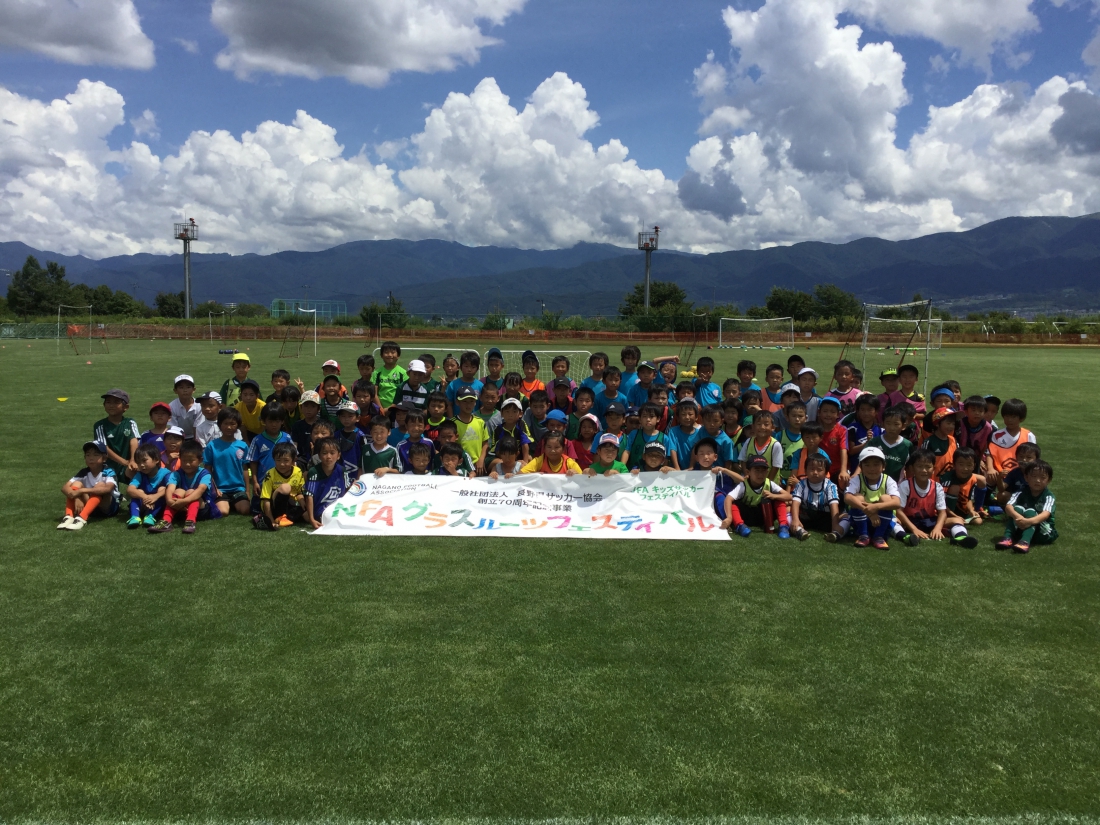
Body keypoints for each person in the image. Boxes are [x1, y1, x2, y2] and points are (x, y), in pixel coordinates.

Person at [893, 449, 977, 548]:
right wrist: (914, 529)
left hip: (930, 521)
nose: (924, 470)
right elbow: (899, 511)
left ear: (933, 469)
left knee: (957, 521)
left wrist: (937, 527)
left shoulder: (937, 487)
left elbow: (942, 512)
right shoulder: (905, 485)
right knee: (893, 521)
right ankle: (905, 537)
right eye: (920, 466)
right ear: (912, 468)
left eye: (928, 467)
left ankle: (961, 538)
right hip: (909, 521)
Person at [150, 440, 219, 534]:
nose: (187, 464)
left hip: (202, 509)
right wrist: (169, 500)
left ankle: (191, 521)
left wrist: (183, 501)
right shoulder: (177, 473)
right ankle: (166, 521)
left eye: (191, 461)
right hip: (181, 508)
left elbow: (200, 490)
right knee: (178, 491)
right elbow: (170, 487)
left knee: (191, 491)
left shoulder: (205, 474)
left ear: (200, 460)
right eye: (184, 461)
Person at [840, 447, 900, 549]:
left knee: (886, 498)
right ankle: (863, 535)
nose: (872, 469)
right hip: (861, 520)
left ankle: (879, 536)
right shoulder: (857, 479)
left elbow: (897, 503)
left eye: (876, 464)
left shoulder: (888, 480)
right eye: (867, 465)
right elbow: (847, 497)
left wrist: (875, 507)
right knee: (857, 498)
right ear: (861, 467)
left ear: (883, 466)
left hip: (881, 521)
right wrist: (868, 510)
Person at [721, 455, 791, 538]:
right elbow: (728, 498)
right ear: (748, 472)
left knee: (779, 499)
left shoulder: (769, 483)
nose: (760, 474)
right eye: (757, 470)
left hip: (764, 516)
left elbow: (789, 496)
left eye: (763, 471)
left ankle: (783, 526)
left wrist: (773, 496)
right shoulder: (743, 485)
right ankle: (740, 526)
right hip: (747, 516)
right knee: (734, 503)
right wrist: (729, 517)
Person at [59, 439, 120, 530]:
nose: (91, 458)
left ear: (104, 458)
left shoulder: (108, 471)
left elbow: (108, 489)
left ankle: (82, 518)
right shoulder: (84, 472)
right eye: (88, 455)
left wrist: (81, 491)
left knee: (99, 486)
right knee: (76, 484)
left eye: (96, 455)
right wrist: (76, 497)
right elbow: (65, 487)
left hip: (107, 508)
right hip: (91, 506)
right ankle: (69, 516)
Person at [998, 460, 1057, 553]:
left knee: (1031, 511)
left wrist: (1028, 521)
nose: (1038, 480)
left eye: (1042, 477)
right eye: (1034, 476)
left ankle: (1025, 542)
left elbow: (1045, 514)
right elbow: (1008, 507)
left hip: (1043, 532)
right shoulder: (1020, 492)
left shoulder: (1049, 496)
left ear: (1049, 480)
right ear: (1026, 477)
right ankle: (1007, 538)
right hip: (1022, 526)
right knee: (1017, 509)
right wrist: (1019, 517)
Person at [245, 402, 292, 512]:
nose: (274, 424)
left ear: (282, 421)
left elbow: (293, 460)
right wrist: (255, 482)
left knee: (284, 508)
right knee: (257, 510)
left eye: (277, 421)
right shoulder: (257, 440)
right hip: (263, 483)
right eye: (270, 421)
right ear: (264, 421)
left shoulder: (287, 438)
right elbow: (253, 462)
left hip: (283, 482)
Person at [985, 398, 1035, 501]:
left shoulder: (1029, 435)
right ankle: (984, 502)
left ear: (1021, 418)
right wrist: (990, 469)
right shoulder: (997, 435)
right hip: (1001, 472)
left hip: (1022, 472)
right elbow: (990, 453)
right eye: (1007, 416)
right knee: (992, 480)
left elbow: (1034, 457)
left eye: (1013, 417)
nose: (1009, 420)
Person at [203, 408, 251, 516]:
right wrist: (214, 489)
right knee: (223, 512)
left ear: (238, 425)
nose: (229, 427)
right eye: (225, 423)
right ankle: (226, 502)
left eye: (233, 424)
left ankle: (236, 501)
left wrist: (247, 491)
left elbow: (245, 469)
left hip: (238, 488)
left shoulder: (242, 446)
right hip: (221, 489)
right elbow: (208, 469)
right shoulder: (212, 445)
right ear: (220, 425)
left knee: (245, 510)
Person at [789, 453, 841, 541]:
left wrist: (835, 525)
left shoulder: (830, 486)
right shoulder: (801, 484)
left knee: (846, 517)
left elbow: (834, 505)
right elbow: (795, 502)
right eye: (812, 469)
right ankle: (799, 530)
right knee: (788, 511)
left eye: (819, 470)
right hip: (807, 517)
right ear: (805, 470)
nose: (815, 472)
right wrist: (795, 519)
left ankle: (835, 534)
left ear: (826, 472)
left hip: (825, 518)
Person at [305, 437, 354, 528]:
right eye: (324, 453)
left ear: (338, 455)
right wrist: (312, 519)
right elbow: (309, 496)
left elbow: (348, 491)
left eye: (332, 453)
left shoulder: (342, 471)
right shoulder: (314, 472)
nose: (328, 456)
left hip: (338, 508)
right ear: (319, 456)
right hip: (321, 510)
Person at [256, 442, 305, 529]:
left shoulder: (298, 472)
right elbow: (266, 499)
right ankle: (276, 517)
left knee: (307, 516)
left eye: (286, 460)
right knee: (285, 487)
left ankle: (284, 517)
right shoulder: (270, 474)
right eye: (278, 460)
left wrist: (303, 503)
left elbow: (299, 492)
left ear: (294, 460)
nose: (282, 464)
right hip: (273, 507)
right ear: (274, 459)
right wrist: (271, 521)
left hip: (290, 504)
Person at [94, 388, 140, 480]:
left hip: (128, 462)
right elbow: (104, 448)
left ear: (125, 407)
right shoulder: (100, 425)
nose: (111, 405)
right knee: (108, 489)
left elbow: (134, 440)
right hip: (108, 465)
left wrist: (132, 460)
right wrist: (124, 462)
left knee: (138, 474)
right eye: (108, 402)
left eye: (116, 402)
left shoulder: (130, 422)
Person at [692, 437, 742, 519]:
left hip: (717, 505)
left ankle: (726, 521)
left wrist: (725, 470)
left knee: (719, 496)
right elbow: (679, 477)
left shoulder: (719, 473)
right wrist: (670, 470)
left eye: (709, 453)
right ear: (697, 458)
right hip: (699, 506)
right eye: (701, 454)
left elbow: (742, 481)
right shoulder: (692, 474)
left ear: (715, 457)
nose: (705, 457)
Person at [125, 443, 170, 528]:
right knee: (138, 491)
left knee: (162, 489)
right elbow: (130, 489)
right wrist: (145, 497)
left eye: (144, 460)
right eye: (138, 462)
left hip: (158, 505)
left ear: (156, 459)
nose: (141, 465)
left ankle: (150, 516)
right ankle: (135, 517)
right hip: (144, 503)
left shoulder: (165, 473)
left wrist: (155, 496)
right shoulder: (140, 474)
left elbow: (170, 488)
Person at [940, 446, 987, 525]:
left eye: (969, 465)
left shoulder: (972, 478)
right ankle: (949, 518)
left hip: (962, 511)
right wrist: (954, 515)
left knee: (978, 521)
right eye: (961, 464)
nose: (965, 468)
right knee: (955, 488)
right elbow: (941, 503)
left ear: (974, 466)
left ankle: (977, 510)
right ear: (954, 465)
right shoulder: (947, 479)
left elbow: (967, 499)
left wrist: (971, 510)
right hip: (946, 511)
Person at [738, 407, 784, 481]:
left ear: (773, 427)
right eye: (759, 424)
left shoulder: (775, 445)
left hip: (769, 486)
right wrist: (747, 475)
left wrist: (766, 484)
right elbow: (743, 461)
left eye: (766, 424)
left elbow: (775, 467)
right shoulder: (748, 441)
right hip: (751, 483)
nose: (762, 427)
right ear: (753, 426)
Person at [452, 387, 489, 474]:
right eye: (464, 401)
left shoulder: (480, 422)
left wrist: (481, 459)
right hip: (460, 466)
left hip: (478, 465)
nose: (468, 405)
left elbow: (485, 443)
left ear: (475, 403)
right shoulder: (452, 423)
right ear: (457, 402)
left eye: (471, 401)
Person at [620, 404, 666, 470]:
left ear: (658, 419)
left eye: (651, 416)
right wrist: (621, 467)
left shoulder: (664, 438)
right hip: (634, 474)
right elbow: (627, 451)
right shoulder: (634, 434)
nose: (648, 419)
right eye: (644, 416)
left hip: (655, 475)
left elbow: (666, 458)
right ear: (640, 419)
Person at [816, 397, 849, 486]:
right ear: (819, 412)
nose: (828, 414)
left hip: (837, 469)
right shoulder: (815, 429)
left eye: (832, 412)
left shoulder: (842, 430)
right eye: (825, 411)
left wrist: (843, 470)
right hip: (819, 469)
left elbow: (843, 449)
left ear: (838, 414)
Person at [846, 394, 883, 470]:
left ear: (876, 411)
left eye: (869, 410)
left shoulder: (881, 430)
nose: (866, 413)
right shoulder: (852, 428)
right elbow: (851, 451)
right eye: (862, 409)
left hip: (875, 471)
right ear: (858, 411)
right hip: (855, 470)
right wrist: (867, 443)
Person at [372, 341, 408, 411]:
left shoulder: (403, 373)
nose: (389, 355)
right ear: (381, 355)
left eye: (393, 352)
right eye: (386, 352)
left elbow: (405, 394)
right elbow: (374, 394)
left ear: (398, 355)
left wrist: (391, 408)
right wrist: (381, 409)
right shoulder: (376, 373)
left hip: (398, 409)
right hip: (380, 409)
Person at [667, 400, 701, 470]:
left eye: (690, 414)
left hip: (696, 470)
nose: (687, 417)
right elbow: (672, 449)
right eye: (683, 414)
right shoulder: (673, 431)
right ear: (678, 418)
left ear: (696, 417)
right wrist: (677, 467)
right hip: (678, 469)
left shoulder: (700, 433)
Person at [292, 390, 323, 466]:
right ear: (301, 407)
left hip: (321, 457)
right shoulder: (297, 425)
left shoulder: (323, 425)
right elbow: (294, 444)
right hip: (301, 459)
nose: (308, 410)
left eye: (312, 406)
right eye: (306, 406)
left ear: (318, 409)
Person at [925, 407, 958, 476]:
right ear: (937, 424)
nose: (951, 426)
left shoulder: (953, 440)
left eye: (953, 424)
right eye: (948, 423)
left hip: (950, 483)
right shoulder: (929, 442)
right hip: (934, 484)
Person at [168, 374, 203, 439]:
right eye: (181, 387)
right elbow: (173, 428)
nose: (185, 390)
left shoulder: (199, 406)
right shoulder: (171, 406)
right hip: (178, 437)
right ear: (175, 391)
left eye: (188, 387)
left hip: (195, 436)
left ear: (194, 389)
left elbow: (198, 427)